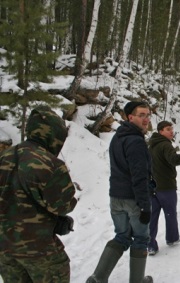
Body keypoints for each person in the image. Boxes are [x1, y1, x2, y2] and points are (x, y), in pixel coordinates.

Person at [0, 106, 78, 283]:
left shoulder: (4, 156)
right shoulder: (49, 163)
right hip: (39, 249)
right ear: (53, 134)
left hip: (4, 249)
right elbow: (63, 205)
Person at [86, 101, 153, 283]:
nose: (146, 119)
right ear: (130, 117)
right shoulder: (135, 141)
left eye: (148, 115)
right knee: (140, 238)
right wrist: (145, 205)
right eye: (142, 115)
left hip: (116, 197)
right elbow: (138, 176)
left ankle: (98, 277)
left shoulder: (118, 137)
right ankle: (137, 280)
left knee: (122, 236)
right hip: (133, 199)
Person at [147, 121, 180, 255]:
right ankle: (172, 238)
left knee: (152, 217)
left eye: (172, 129)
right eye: (168, 129)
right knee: (170, 214)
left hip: (152, 187)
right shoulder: (165, 145)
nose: (171, 131)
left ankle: (150, 245)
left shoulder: (151, 146)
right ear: (160, 131)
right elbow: (174, 159)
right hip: (166, 186)